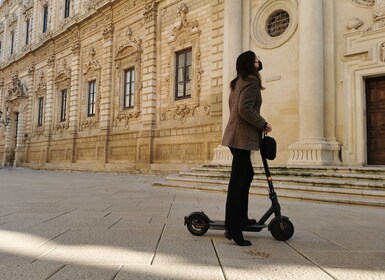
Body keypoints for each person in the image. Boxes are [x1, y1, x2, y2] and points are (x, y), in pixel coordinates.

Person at [221, 50, 272, 246]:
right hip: (241, 138)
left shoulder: (237, 82)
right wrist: (262, 123)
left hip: (236, 136)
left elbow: (233, 107)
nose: (259, 61)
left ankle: (240, 218)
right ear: (250, 63)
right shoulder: (251, 80)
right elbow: (244, 108)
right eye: (256, 59)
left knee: (245, 176)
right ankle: (233, 228)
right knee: (238, 182)